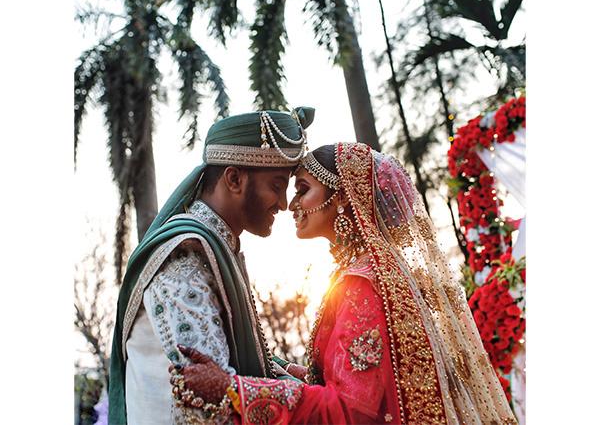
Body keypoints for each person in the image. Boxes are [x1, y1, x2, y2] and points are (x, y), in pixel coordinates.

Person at [170, 142, 517, 424]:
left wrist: (233, 388)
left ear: (341, 199)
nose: (290, 204)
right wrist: (283, 373)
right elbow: (370, 389)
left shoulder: (361, 285)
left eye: (303, 189)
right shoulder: (374, 275)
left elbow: (351, 411)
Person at [107, 107, 315, 425]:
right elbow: (211, 403)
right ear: (234, 179)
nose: (284, 204)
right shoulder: (184, 258)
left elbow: (233, 375)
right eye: (276, 185)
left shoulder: (217, 250)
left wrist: (300, 378)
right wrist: (328, 403)